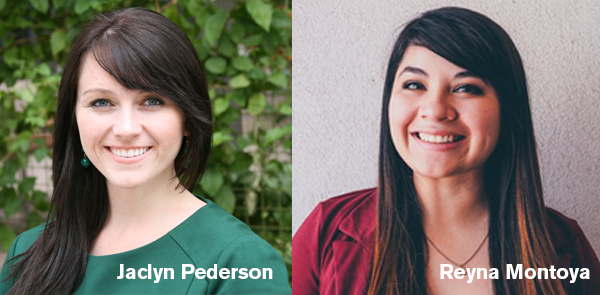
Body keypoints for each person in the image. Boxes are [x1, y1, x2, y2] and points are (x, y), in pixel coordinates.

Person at [293, 6, 600, 295]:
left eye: (465, 88)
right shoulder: (327, 231)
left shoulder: (563, 246)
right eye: (414, 85)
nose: (436, 110)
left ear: (507, 111)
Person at [0, 8, 291, 295]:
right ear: (74, 119)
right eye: (102, 102)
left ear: (187, 118)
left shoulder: (239, 261)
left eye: (152, 101)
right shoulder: (27, 254)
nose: (126, 129)